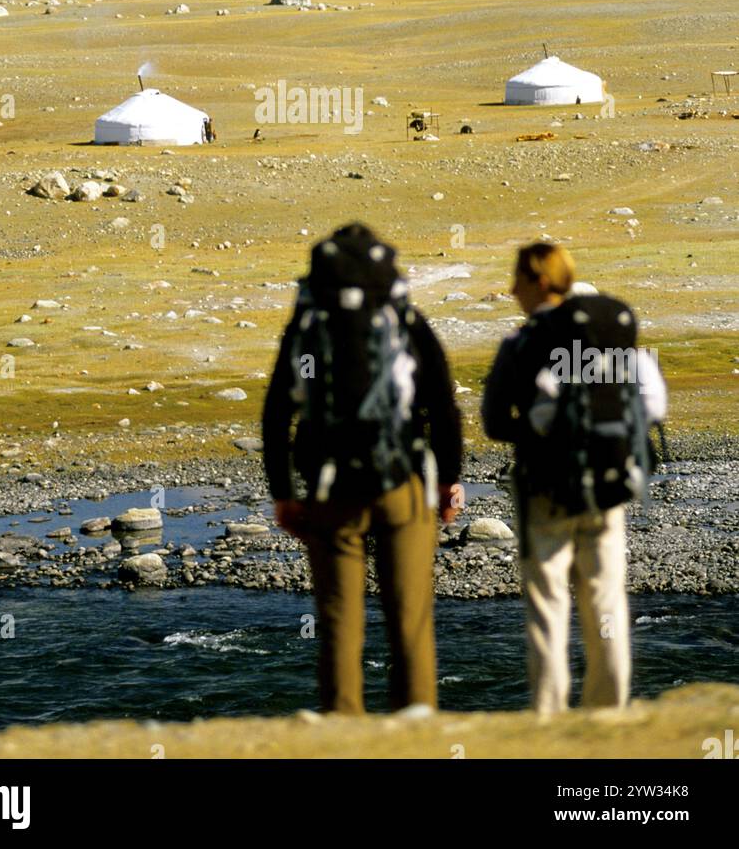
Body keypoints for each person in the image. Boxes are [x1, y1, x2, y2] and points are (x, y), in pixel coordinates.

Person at [263, 223, 464, 715]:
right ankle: (415, 727)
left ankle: (342, 725)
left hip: (331, 489)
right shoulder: (406, 322)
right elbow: (442, 405)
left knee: (338, 619)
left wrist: (285, 493)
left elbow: (276, 414)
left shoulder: (307, 327)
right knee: (410, 618)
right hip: (403, 483)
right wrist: (447, 480)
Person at [482, 242, 667, 716]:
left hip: (545, 490)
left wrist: (538, 434)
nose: (511, 289)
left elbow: (495, 423)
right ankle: (608, 714)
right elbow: (653, 406)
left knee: (548, 603)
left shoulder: (525, 341)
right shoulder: (615, 332)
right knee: (605, 599)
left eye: (518, 280)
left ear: (540, 281)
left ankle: (549, 717)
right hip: (608, 484)